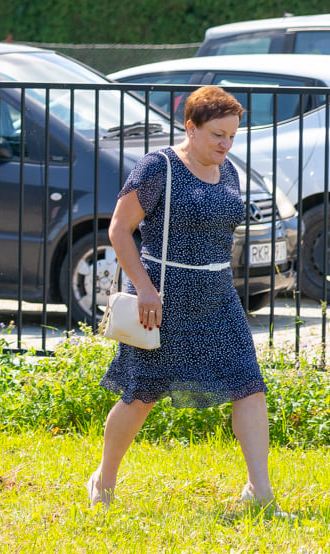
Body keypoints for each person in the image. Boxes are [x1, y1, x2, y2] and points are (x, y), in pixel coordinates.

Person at [87, 86, 285, 515]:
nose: (226, 144)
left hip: (218, 299)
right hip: (162, 302)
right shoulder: (159, 168)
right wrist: (144, 288)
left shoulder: (227, 170)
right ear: (190, 128)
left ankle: (260, 493)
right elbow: (119, 230)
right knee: (141, 395)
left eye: (232, 136)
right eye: (217, 134)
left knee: (249, 388)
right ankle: (103, 481)